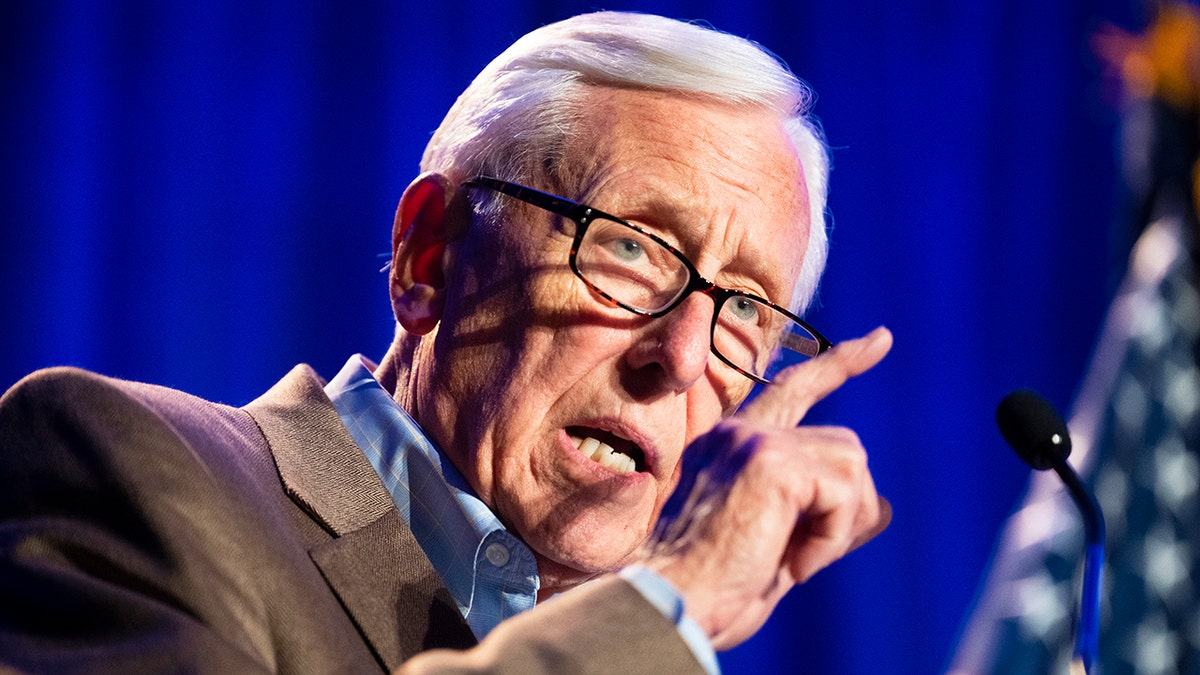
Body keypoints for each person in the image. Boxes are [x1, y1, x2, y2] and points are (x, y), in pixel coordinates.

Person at [0, 11, 892, 674]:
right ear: (428, 254)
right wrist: (670, 597)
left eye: (744, 310)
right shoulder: (126, 468)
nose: (684, 358)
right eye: (632, 248)